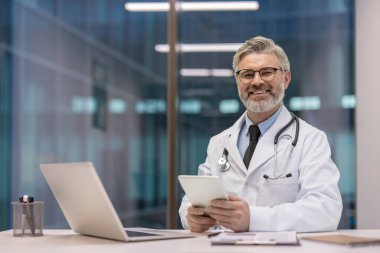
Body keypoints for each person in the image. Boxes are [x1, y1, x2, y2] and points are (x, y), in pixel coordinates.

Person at [179, 36, 342, 233]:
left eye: (267, 72)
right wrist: (191, 217)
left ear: (286, 78)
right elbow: (194, 198)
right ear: (238, 81)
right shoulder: (219, 142)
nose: (256, 81)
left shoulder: (311, 139)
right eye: (247, 74)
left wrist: (253, 219)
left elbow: (325, 210)